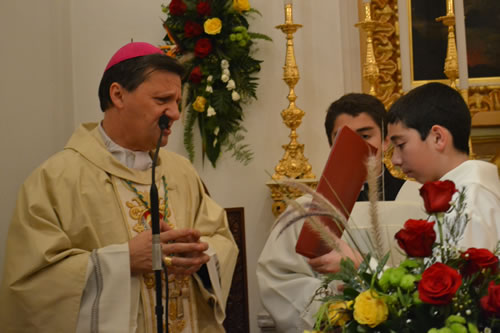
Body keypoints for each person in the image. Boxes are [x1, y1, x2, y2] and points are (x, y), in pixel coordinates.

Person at [0, 42, 238, 333]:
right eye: (163, 100)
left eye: (178, 101)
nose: (175, 113)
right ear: (118, 95)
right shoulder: (55, 179)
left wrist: (201, 256)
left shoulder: (181, 173)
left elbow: (221, 240)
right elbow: (31, 285)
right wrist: (122, 261)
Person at [257, 93, 419, 332]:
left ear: (386, 141)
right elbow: (278, 280)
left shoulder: (417, 199)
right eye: (344, 138)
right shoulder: (305, 211)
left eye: (366, 136)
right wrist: (337, 304)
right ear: (332, 144)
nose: (358, 145)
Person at [387, 81, 500, 250]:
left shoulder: (468, 202)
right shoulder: (463, 194)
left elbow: (460, 276)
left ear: (438, 138)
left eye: (401, 145)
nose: (395, 160)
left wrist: (362, 267)